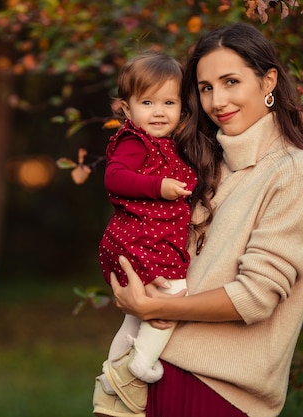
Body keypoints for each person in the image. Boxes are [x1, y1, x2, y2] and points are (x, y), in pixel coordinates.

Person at [109, 22, 303, 417]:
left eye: (230, 81)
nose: (217, 101)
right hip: (154, 370)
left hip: (217, 390)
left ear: (268, 82)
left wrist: (153, 308)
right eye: (206, 88)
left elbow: (256, 296)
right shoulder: (204, 161)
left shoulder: (291, 171)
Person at [93, 51, 198, 417]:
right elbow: (113, 177)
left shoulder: (170, 143)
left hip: (143, 240)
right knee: (175, 294)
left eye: (169, 103)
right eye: (147, 102)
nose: (159, 112)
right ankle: (139, 366)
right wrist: (159, 187)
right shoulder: (133, 142)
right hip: (139, 240)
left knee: (134, 317)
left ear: (182, 108)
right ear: (125, 108)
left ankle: (111, 375)